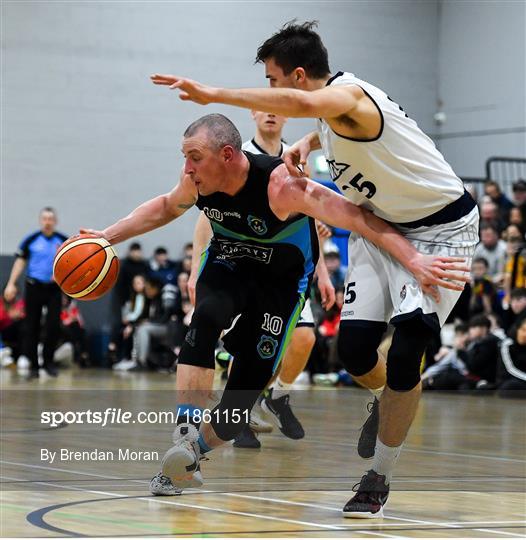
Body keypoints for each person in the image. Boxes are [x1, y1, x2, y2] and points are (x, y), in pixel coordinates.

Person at [150, 20, 478, 517]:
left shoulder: (346, 97)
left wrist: (210, 94)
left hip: (439, 232)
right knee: (353, 350)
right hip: (380, 228)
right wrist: (306, 145)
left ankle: (379, 475)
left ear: (299, 77)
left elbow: (308, 108)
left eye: (273, 82)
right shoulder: (335, 111)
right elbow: (322, 123)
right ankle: (384, 400)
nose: (270, 95)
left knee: (410, 342)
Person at [188, 109, 335, 449]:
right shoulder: (236, 158)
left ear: (286, 117)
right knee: (238, 335)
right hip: (241, 264)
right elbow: (206, 220)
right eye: (264, 109)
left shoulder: (295, 157)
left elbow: (309, 221)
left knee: (301, 340)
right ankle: (235, 412)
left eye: (277, 110)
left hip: (287, 268)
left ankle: (272, 398)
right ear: (253, 115)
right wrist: (196, 270)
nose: (270, 115)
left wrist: (323, 273)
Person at [4, 207, 67, 378]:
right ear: (40, 221)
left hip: (54, 289)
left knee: (53, 326)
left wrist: (64, 281)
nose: (47, 222)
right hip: (34, 287)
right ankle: (33, 366)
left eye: (50, 219)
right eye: (44, 219)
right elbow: (20, 262)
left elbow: (72, 263)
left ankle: (48, 363)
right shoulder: (31, 240)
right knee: (31, 326)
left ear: (55, 221)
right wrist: (11, 283)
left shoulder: (63, 241)